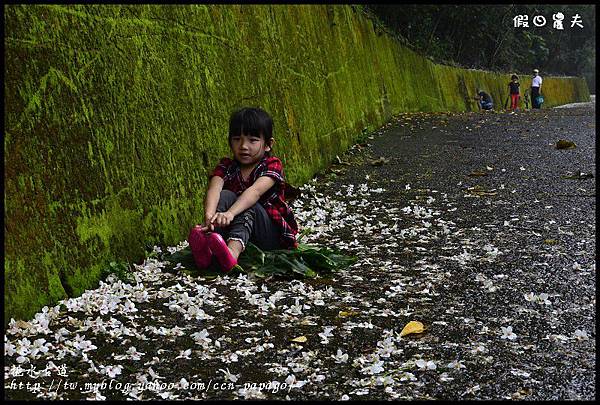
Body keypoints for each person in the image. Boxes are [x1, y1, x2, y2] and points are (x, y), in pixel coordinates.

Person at [188, 107, 299, 272]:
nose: (243, 146)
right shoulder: (227, 166)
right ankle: (208, 249)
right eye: (237, 139)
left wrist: (230, 213)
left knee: (249, 206)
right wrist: (209, 216)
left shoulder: (271, 165)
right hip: (235, 226)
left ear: (268, 144)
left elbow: (254, 192)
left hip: (267, 235)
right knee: (225, 195)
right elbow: (214, 188)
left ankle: (232, 254)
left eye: (253, 140)